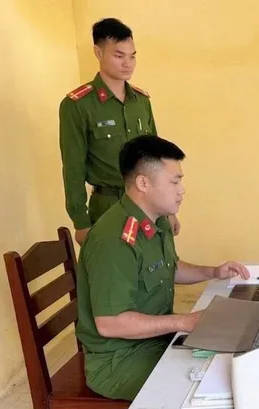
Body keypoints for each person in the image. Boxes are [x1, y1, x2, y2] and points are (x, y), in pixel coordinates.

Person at [75, 135, 249, 401]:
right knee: (215, 385)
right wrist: (184, 322)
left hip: (155, 340)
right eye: (174, 181)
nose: (182, 190)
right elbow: (110, 324)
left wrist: (213, 272)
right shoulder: (113, 241)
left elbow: (170, 267)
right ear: (143, 183)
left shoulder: (157, 221)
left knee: (234, 356)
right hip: (118, 360)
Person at [59, 18, 179, 245]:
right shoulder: (78, 105)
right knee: (115, 265)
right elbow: (73, 168)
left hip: (150, 204)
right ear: (98, 53)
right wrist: (81, 221)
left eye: (132, 56)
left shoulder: (141, 101)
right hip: (109, 206)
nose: (128, 64)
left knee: (159, 264)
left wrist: (168, 208)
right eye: (119, 56)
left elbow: (157, 159)